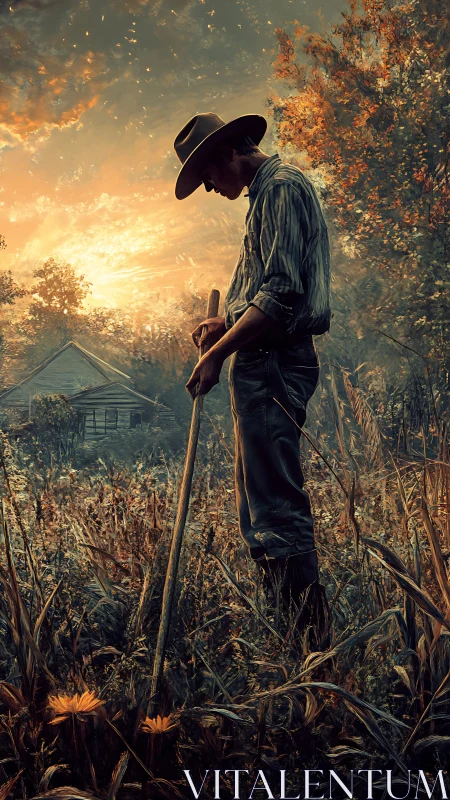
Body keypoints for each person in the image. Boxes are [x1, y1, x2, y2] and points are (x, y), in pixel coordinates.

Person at [173, 112, 331, 649]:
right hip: (263, 361)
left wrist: (217, 353)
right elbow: (266, 290)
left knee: (275, 505)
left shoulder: (281, 190)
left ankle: (309, 649)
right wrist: (228, 319)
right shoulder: (265, 196)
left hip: (275, 363)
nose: (211, 190)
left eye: (207, 178)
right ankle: (290, 637)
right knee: (257, 504)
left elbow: (284, 294)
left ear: (226, 155)